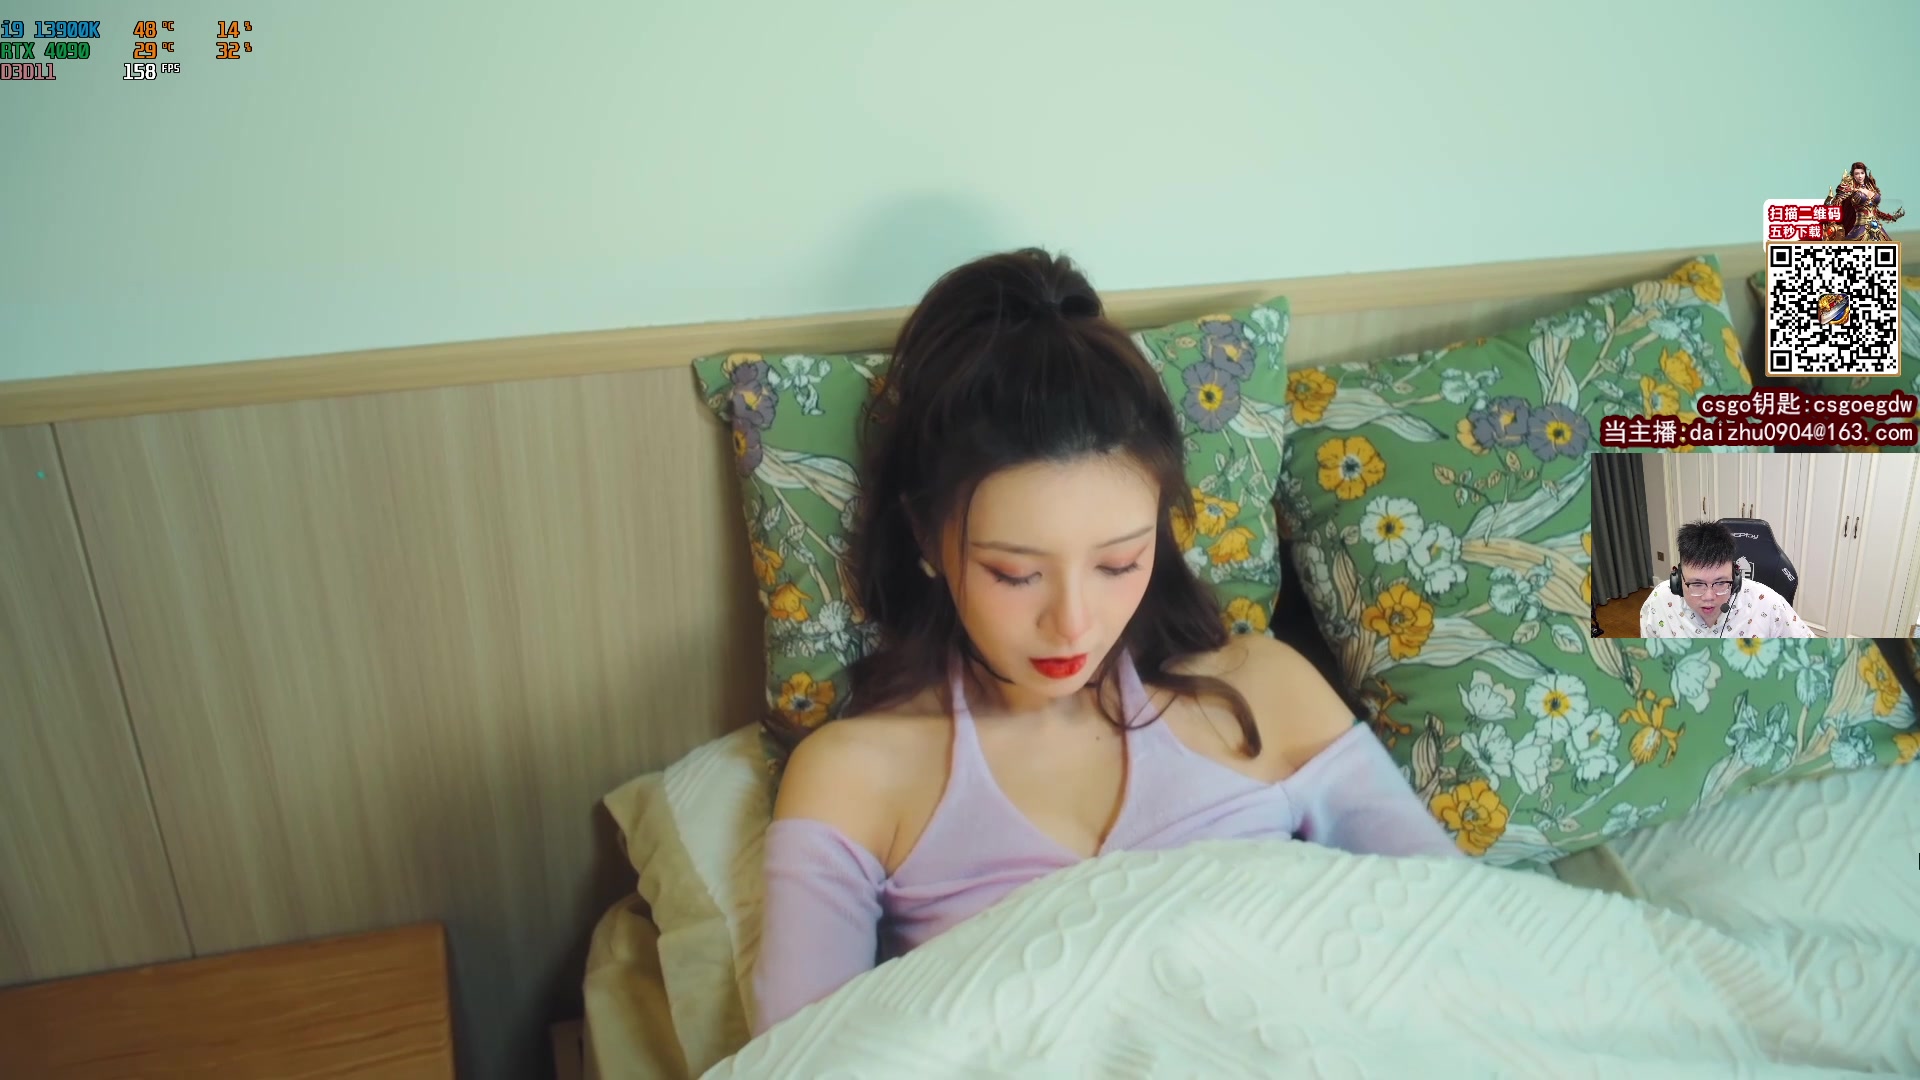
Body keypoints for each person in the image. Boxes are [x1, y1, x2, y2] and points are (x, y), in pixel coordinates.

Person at [750, 249, 1462, 1036]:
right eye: (1017, 574)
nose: (1074, 623)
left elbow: (1466, 938)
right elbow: (798, 1060)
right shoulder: (859, 777)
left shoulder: (1267, 690)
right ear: (926, 535)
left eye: (1119, 563)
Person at [1639, 520, 1813, 638]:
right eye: (1697, 584)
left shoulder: (1769, 605)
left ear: (1736, 578)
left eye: (1721, 583)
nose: (1709, 596)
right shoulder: (1659, 602)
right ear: (1677, 580)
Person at [1821, 161, 1904, 242]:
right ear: (1853, 175)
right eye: (1857, 174)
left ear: (1865, 174)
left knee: (1888, 246)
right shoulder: (1850, 189)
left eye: (1862, 173)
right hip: (1860, 227)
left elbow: (1875, 211)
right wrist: (1832, 223)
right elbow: (1837, 203)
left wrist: (1890, 217)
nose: (1860, 176)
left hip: (1877, 227)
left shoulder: (1871, 188)